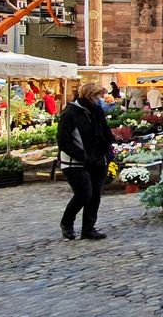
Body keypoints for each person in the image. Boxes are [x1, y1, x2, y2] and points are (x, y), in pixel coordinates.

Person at [57, 82, 115, 240]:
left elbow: (104, 133)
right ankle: (67, 223)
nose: (99, 99)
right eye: (96, 96)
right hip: (76, 161)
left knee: (95, 194)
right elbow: (63, 140)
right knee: (84, 194)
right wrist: (82, 155)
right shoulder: (70, 113)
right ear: (89, 96)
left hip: (98, 159)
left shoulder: (96, 111)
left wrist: (108, 151)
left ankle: (88, 229)